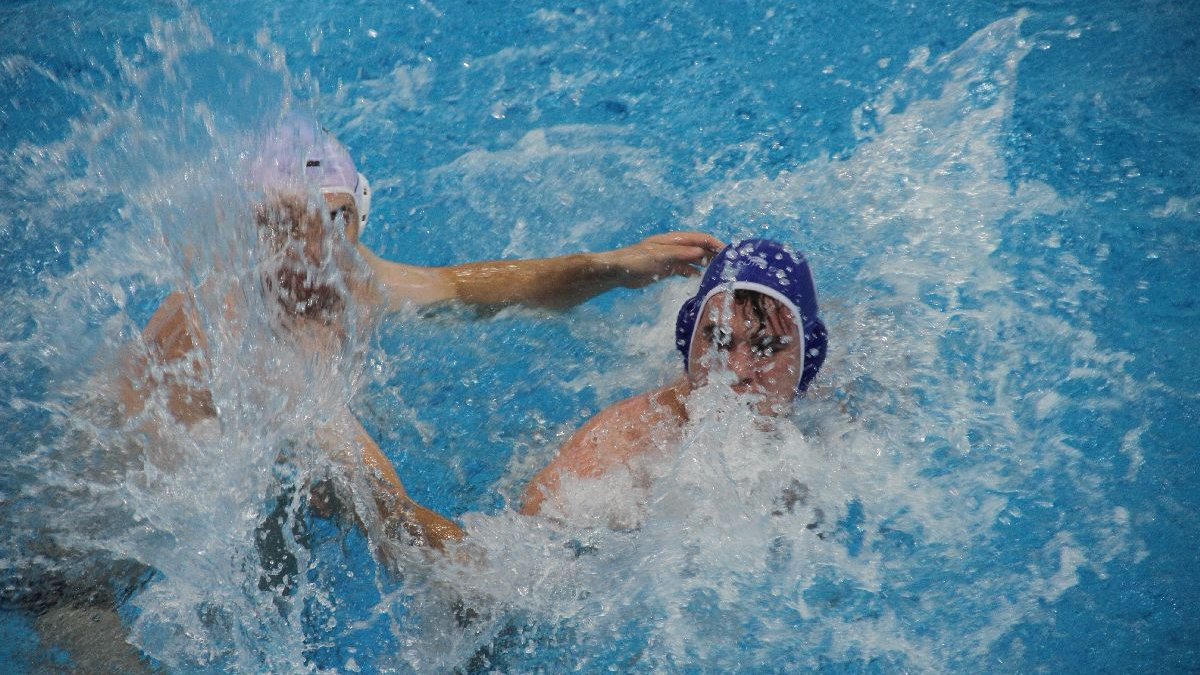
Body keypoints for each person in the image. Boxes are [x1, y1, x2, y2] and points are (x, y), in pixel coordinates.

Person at [118, 116, 723, 551]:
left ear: (359, 214)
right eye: (283, 224)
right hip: (120, 541)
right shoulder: (242, 332)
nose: (313, 250)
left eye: (332, 219)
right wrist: (502, 567)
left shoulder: (346, 275)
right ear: (243, 231)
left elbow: (466, 288)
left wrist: (614, 266)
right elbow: (392, 516)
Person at [520, 238, 827, 518]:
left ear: (808, 361)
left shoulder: (837, 412)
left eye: (767, 348)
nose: (737, 370)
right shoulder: (626, 447)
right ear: (688, 340)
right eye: (719, 341)